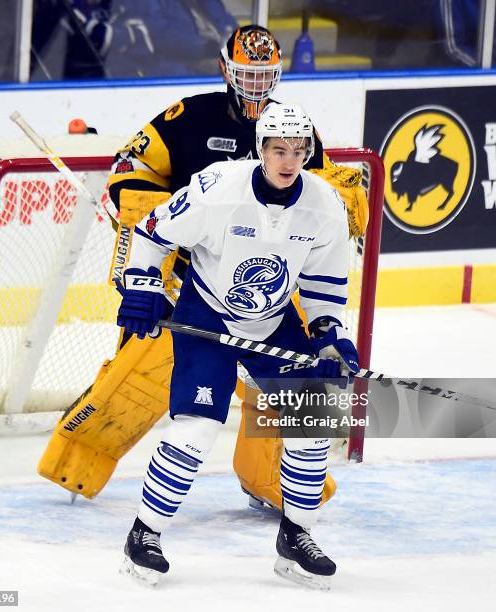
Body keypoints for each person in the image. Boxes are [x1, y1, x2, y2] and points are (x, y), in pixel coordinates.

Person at [39, 24, 368, 510]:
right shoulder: (188, 118)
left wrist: (344, 201)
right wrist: (151, 251)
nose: (256, 85)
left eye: (265, 75)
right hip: (186, 280)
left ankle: (279, 487)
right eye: (245, 74)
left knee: (294, 381)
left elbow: (316, 203)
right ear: (223, 69)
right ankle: (75, 462)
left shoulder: (293, 130)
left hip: (262, 285)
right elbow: (131, 167)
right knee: (141, 373)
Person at [117, 103, 359, 588]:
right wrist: (142, 287)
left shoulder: (325, 204)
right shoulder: (216, 190)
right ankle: (144, 535)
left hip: (273, 321)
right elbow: (150, 234)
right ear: (260, 150)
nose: (289, 161)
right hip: (207, 313)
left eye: (298, 151)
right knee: (197, 430)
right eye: (278, 150)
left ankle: (296, 537)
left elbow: (323, 283)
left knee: (312, 419)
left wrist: (331, 336)